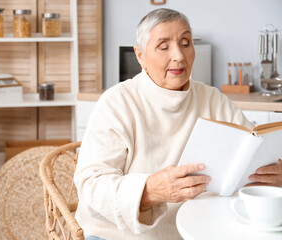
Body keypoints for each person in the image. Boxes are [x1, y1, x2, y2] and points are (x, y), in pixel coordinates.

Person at [74, 8, 282, 240]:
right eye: (164, 46)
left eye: (185, 42)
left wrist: (274, 174)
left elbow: (252, 156)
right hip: (118, 235)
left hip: (200, 228)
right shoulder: (117, 103)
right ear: (140, 55)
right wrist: (149, 191)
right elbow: (91, 185)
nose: (179, 56)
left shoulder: (213, 99)